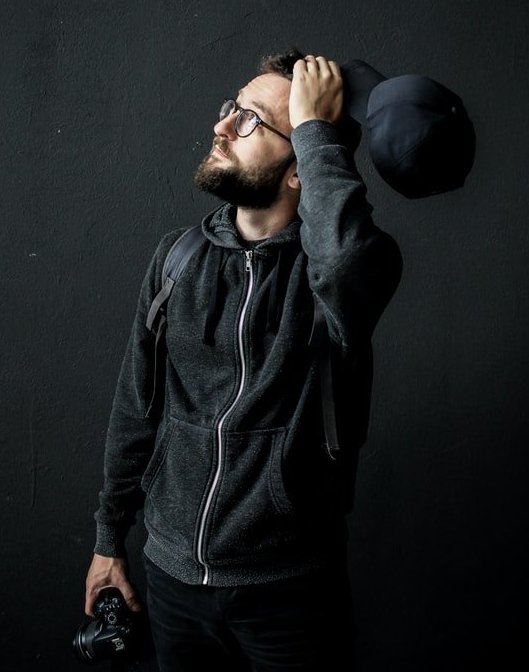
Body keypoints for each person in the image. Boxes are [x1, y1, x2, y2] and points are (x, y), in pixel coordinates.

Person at [84, 49, 402, 671]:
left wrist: (317, 129)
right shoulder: (177, 259)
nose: (222, 125)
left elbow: (343, 260)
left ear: (301, 167)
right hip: (171, 578)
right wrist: (108, 537)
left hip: (290, 592)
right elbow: (135, 408)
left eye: (251, 119)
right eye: (232, 107)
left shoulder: (343, 275)